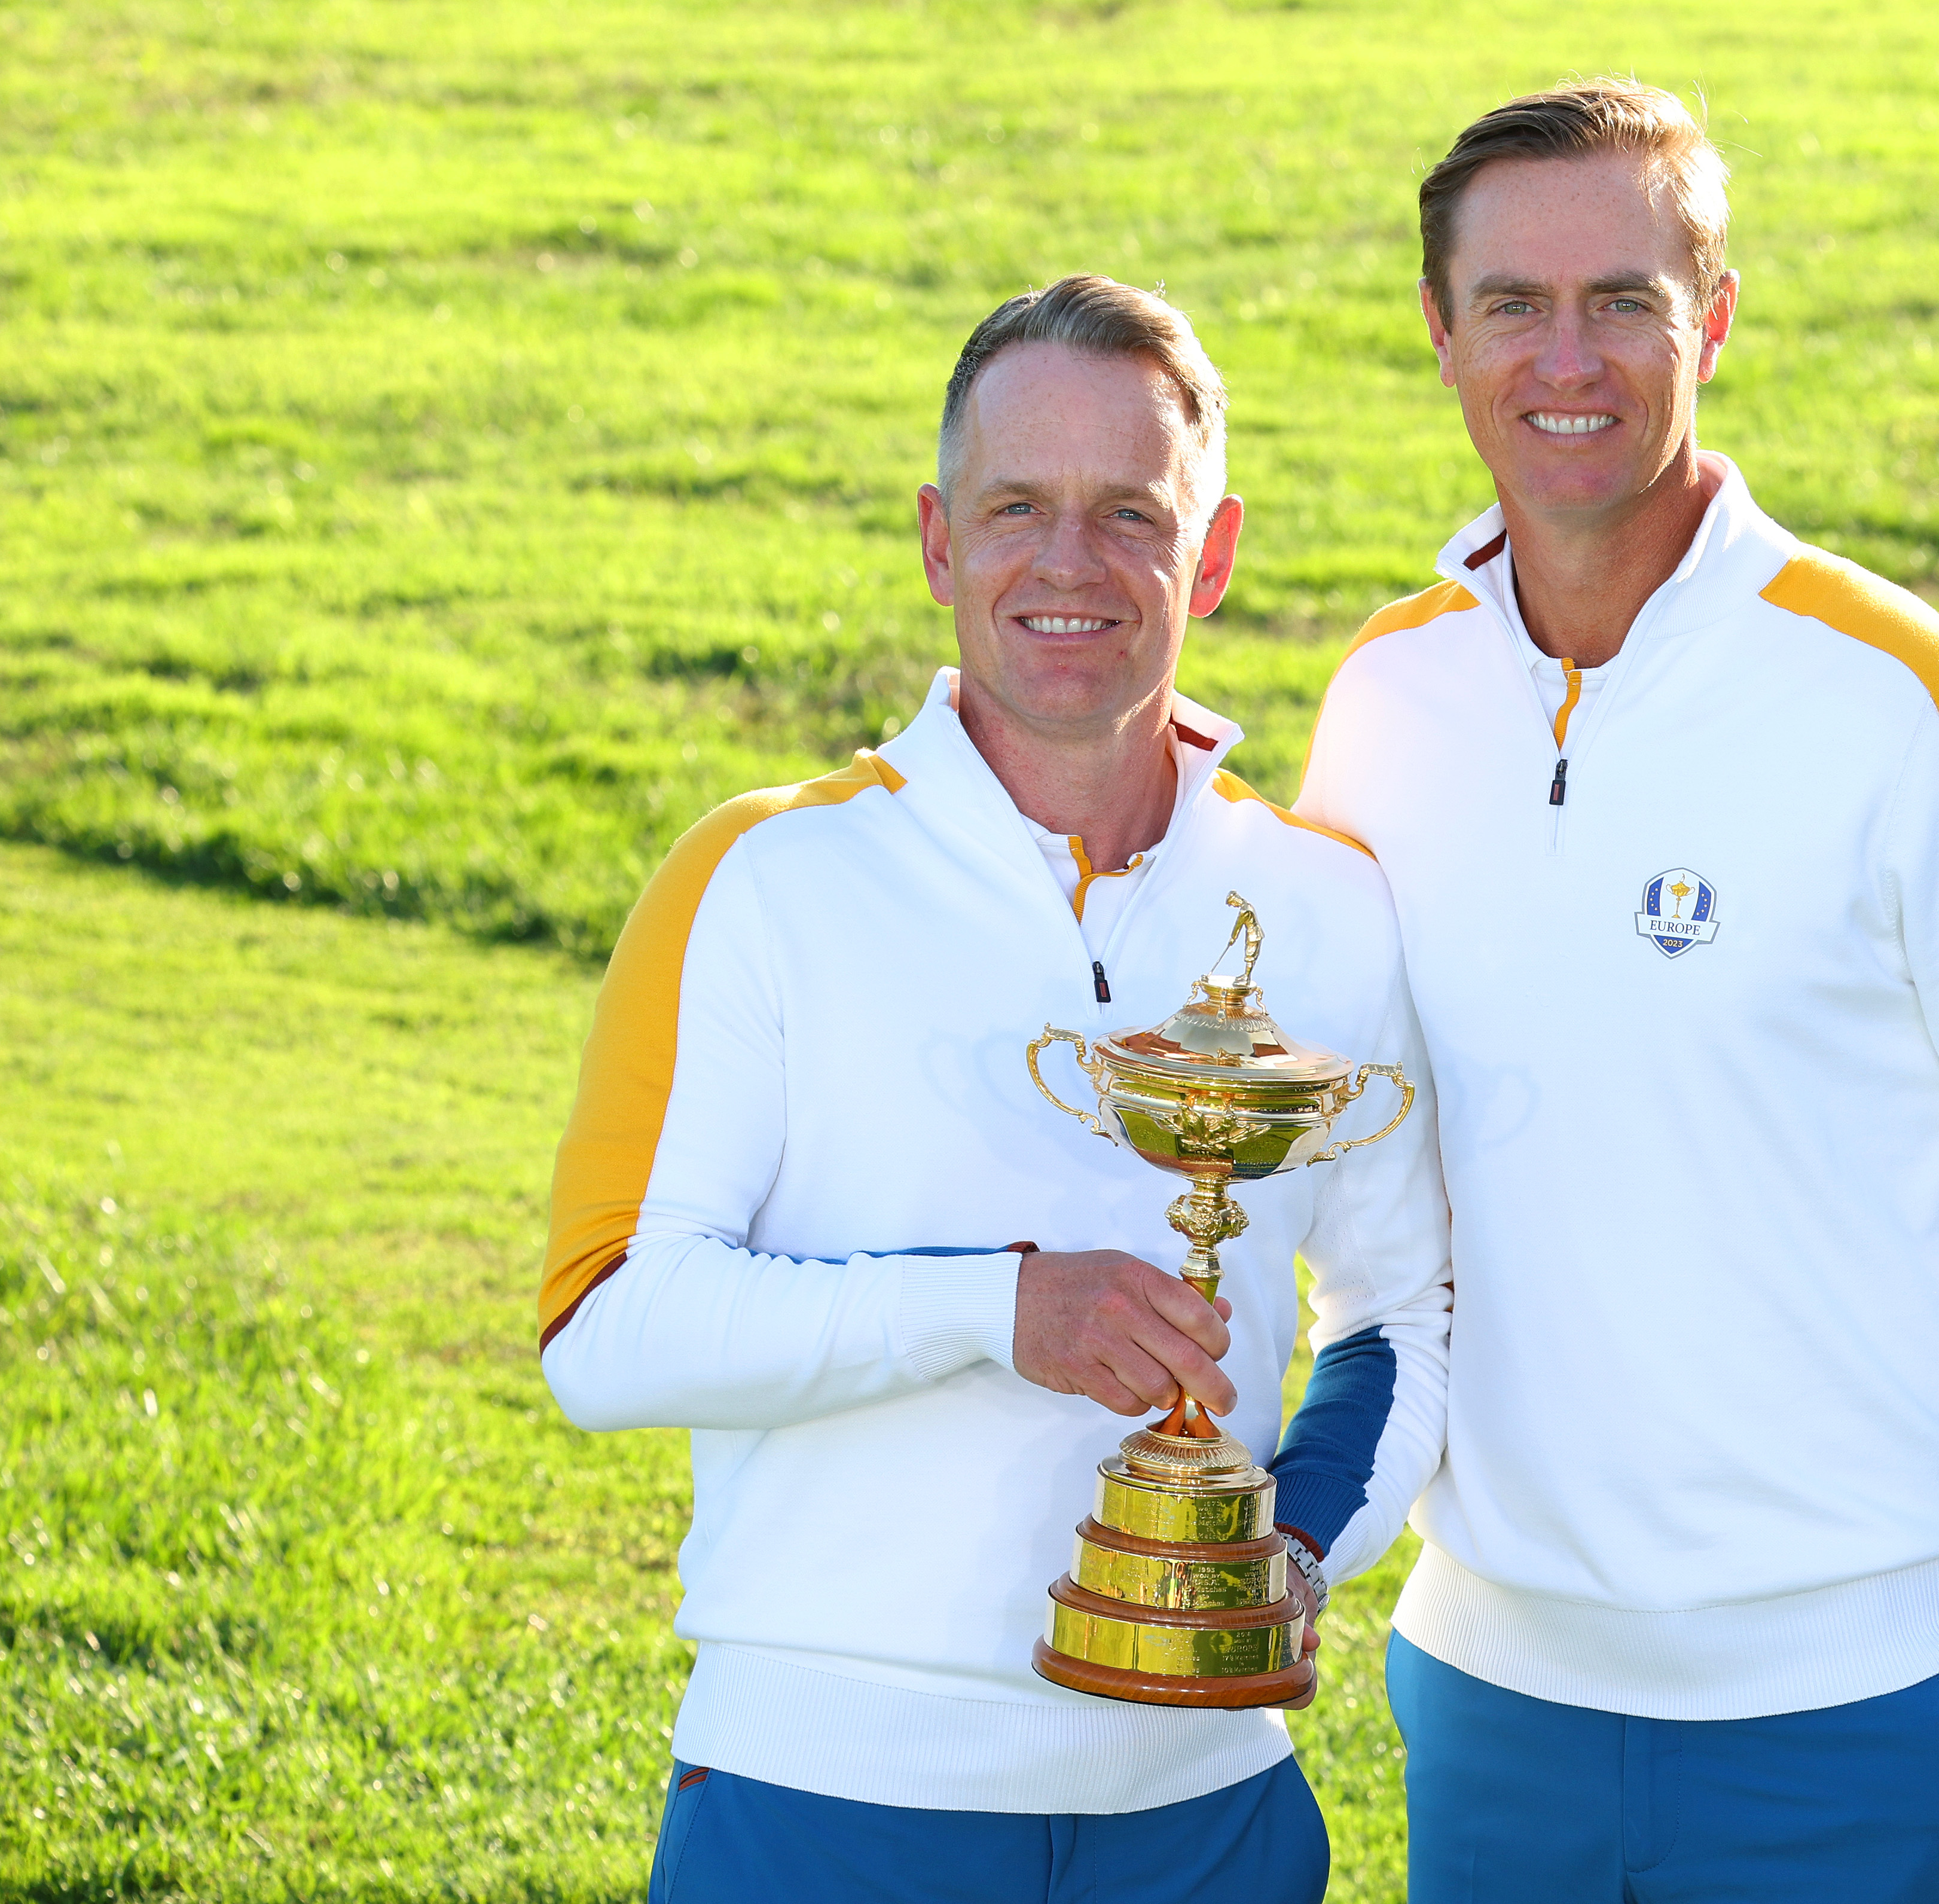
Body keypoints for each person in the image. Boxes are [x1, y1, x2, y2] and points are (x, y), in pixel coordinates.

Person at [1294, 81, 1939, 1903]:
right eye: (1514, 305)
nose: (1569, 356)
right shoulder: (1384, 707)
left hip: (1860, 1719)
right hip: (1490, 1703)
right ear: (1440, 332)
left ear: (1712, 318)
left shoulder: (1908, 703)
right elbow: (1365, 1196)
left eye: (1624, 299)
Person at [538, 274, 1450, 1904]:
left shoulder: (1324, 907)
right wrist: (993, 1312)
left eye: (1130, 515)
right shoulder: (765, 876)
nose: (1069, 564)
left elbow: (1403, 1313)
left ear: (1215, 555)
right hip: (823, 1804)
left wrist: (1285, 1552)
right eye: (1017, 507)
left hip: (1209, 1810)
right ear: (939, 541)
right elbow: (610, 1334)